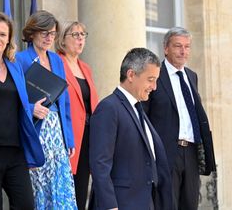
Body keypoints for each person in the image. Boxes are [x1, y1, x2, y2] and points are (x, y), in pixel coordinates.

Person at [0, 12, 45, 210]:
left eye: (3, 35)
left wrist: (31, 108)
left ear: (8, 39)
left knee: (26, 205)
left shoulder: (15, 67)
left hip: (15, 151)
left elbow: (17, 102)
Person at [89, 48, 171, 210]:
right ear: (131, 75)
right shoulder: (109, 108)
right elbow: (100, 164)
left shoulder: (138, 108)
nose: (154, 87)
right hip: (121, 203)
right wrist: (109, 206)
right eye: (150, 79)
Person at [143, 27, 216, 210]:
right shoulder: (154, 75)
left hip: (191, 152)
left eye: (187, 46)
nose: (183, 51)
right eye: (178, 46)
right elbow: (144, 116)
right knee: (167, 204)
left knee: (190, 204)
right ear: (166, 48)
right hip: (167, 152)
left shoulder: (191, 76)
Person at [16, 10, 77, 209]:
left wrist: (69, 138)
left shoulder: (57, 60)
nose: (49, 37)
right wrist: (30, 108)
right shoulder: (20, 59)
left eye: (52, 33)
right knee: (38, 185)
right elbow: (14, 96)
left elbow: (64, 101)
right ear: (32, 33)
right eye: (44, 33)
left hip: (56, 130)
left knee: (60, 185)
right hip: (36, 129)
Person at [55, 21, 99, 210]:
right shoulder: (56, 62)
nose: (81, 38)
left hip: (89, 136)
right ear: (62, 40)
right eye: (75, 35)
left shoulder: (86, 68)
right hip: (68, 137)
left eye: (83, 34)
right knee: (67, 192)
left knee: (82, 190)